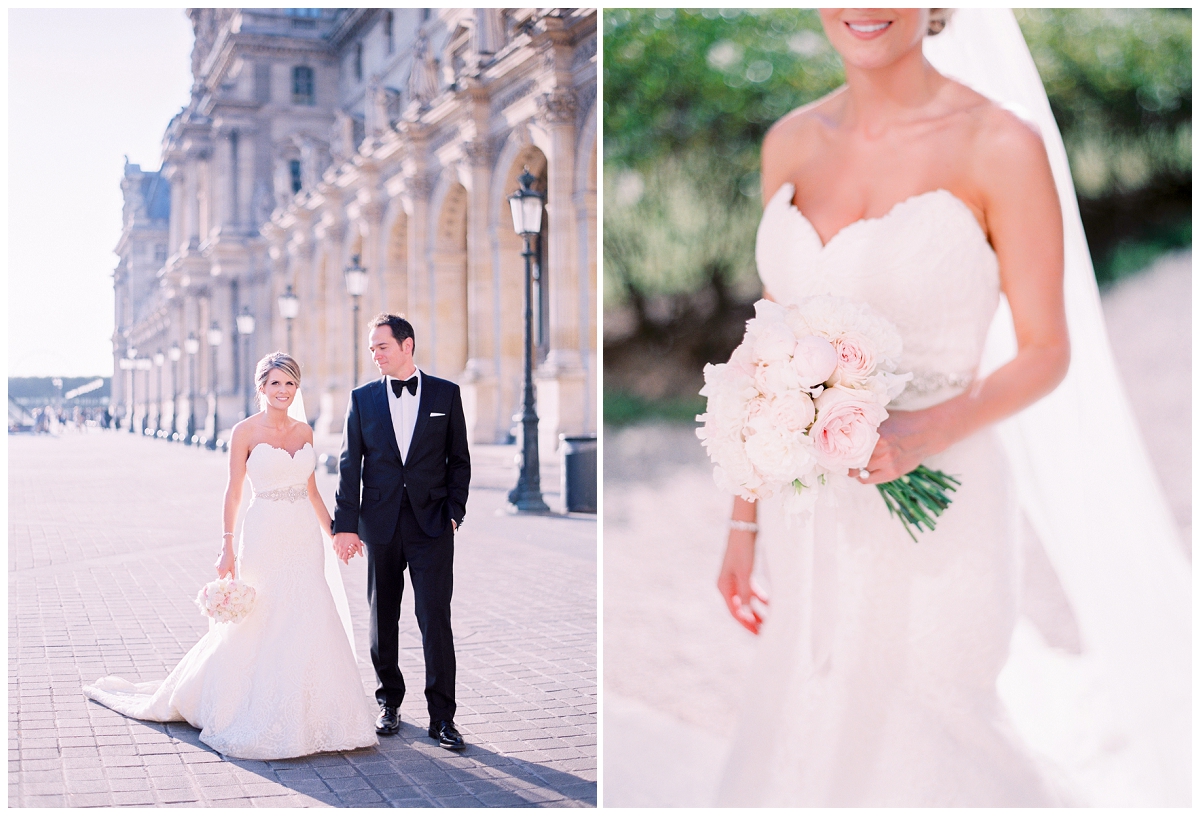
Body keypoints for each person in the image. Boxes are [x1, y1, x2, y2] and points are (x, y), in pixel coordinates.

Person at [713, 9, 1189, 806]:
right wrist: (742, 516)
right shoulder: (789, 142)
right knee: (813, 703)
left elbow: (1046, 350)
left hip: (945, 504)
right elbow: (771, 341)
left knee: (933, 726)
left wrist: (918, 432)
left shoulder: (1000, 144)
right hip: (812, 509)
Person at [84, 352, 377, 759]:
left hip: (302, 536)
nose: (284, 391)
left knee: (308, 610)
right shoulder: (244, 432)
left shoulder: (304, 432)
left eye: (290, 383)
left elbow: (311, 492)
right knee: (262, 616)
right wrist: (226, 544)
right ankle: (238, 701)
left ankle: (317, 711)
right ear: (261, 387)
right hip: (264, 533)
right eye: (275, 383)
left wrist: (336, 533)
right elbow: (235, 492)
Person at [333, 313, 471, 751]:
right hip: (381, 524)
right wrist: (345, 526)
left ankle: (442, 717)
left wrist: (454, 511)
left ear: (406, 345)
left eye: (382, 346)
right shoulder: (362, 399)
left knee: (435, 619)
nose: (374, 354)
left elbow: (460, 459)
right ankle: (389, 702)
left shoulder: (446, 394)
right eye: (371, 348)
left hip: (432, 524)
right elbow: (349, 465)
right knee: (383, 616)